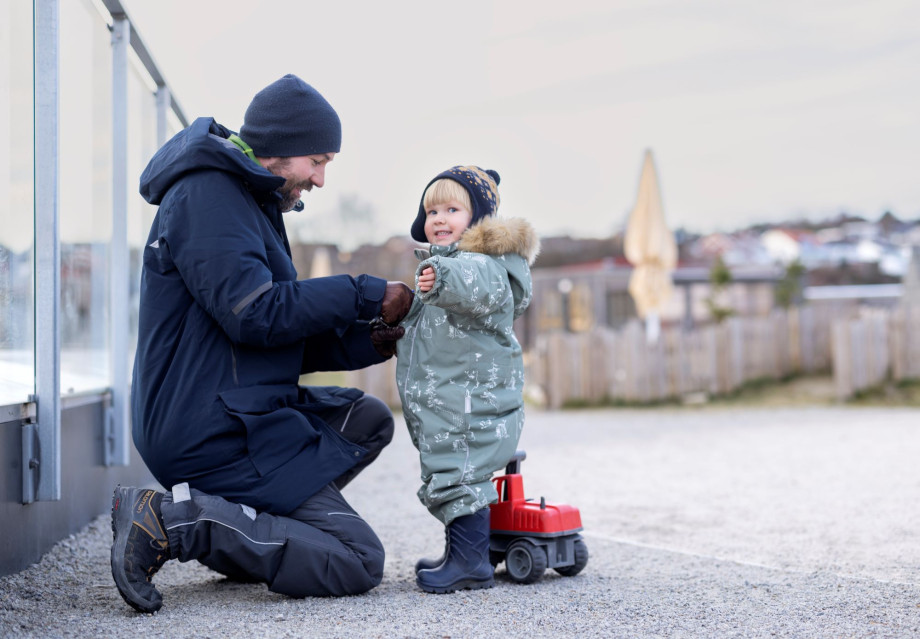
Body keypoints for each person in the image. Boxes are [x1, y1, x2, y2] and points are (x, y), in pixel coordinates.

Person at [110, 74, 413, 614]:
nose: (320, 179)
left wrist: (367, 342)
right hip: (206, 428)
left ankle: (243, 537)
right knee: (357, 559)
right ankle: (174, 522)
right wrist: (366, 293)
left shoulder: (252, 200)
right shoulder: (206, 195)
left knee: (367, 421)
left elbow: (277, 338)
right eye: (316, 161)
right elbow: (256, 316)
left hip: (238, 410)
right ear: (281, 146)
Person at [394, 165, 540, 593]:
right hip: (449, 396)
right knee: (449, 471)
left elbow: (474, 286)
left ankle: (472, 563)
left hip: (471, 398)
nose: (438, 219)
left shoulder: (486, 264)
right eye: (431, 210)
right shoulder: (442, 267)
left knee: (462, 473)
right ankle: (459, 553)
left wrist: (442, 277)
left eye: (452, 209)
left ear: (477, 219)